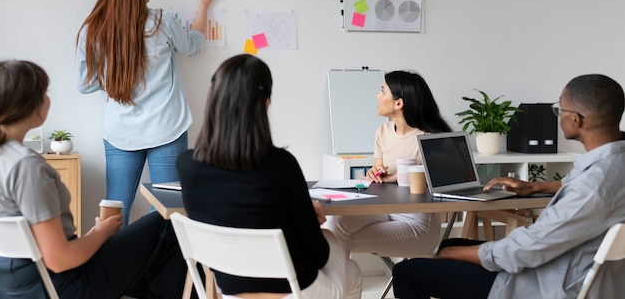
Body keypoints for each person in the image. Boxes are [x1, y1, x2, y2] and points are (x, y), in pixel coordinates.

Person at [392, 74, 625, 299]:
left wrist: (456, 254)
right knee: (451, 244)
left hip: (543, 282)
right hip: (577, 266)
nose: (558, 115)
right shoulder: (613, 163)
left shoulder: (592, 187)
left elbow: (528, 250)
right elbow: (580, 187)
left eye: (559, 109)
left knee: (407, 272)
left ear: (576, 119)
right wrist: (534, 187)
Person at [176, 54, 362, 299]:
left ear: (215, 99)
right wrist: (305, 216)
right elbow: (318, 255)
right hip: (293, 292)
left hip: (230, 291)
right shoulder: (281, 166)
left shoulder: (187, 165)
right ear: (265, 103)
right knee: (351, 267)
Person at [0, 60, 188, 299]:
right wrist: (102, 233)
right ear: (30, 104)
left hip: (13, 285)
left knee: (148, 262)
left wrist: (96, 233)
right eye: (45, 92)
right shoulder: (26, 167)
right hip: (59, 286)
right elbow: (59, 260)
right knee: (167, 224)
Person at [75, 0, 217, 225]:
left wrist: (113, 76)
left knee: (116, 208)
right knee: (167, 208)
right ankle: (156, 265)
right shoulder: (160, 21)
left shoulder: (94, 27)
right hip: (167, 128)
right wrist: (203, 6)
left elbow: (83, 83)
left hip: (120, 132)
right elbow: (193, 47)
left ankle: (115, 265)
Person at [324, 70, 452, 258]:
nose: (377, 95)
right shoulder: (383, 132)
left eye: (382, 90)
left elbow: (434, 180)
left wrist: (392, 177)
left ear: (398, 103)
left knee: (332, 239)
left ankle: (338, 285)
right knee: (332, 224)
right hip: (383, 209)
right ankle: (338, 284)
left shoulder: (429, 139)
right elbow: (379, 176)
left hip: (417, 224)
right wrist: (374, 174)